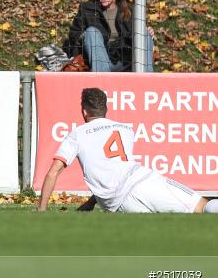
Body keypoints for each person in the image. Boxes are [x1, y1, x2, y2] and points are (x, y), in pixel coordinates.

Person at [38, 88, 218, 214]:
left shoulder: (76, 134)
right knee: (201, 207)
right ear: (106, 109)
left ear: (84, 112)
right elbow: (115, 166)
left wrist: (42, 210)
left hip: (118, 204)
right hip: (142, 182)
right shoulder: (125, 129)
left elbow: (54, 172)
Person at [65, 0, 154, 72]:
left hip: (125, 60)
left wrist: (147, 31)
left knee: (145, 32)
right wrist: (84, 37)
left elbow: (140, 39)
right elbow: (74, 34)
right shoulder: (87, 9)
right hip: (100, 59)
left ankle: (147, 78)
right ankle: (101, 80)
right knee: (92, 32)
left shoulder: (130, 10)